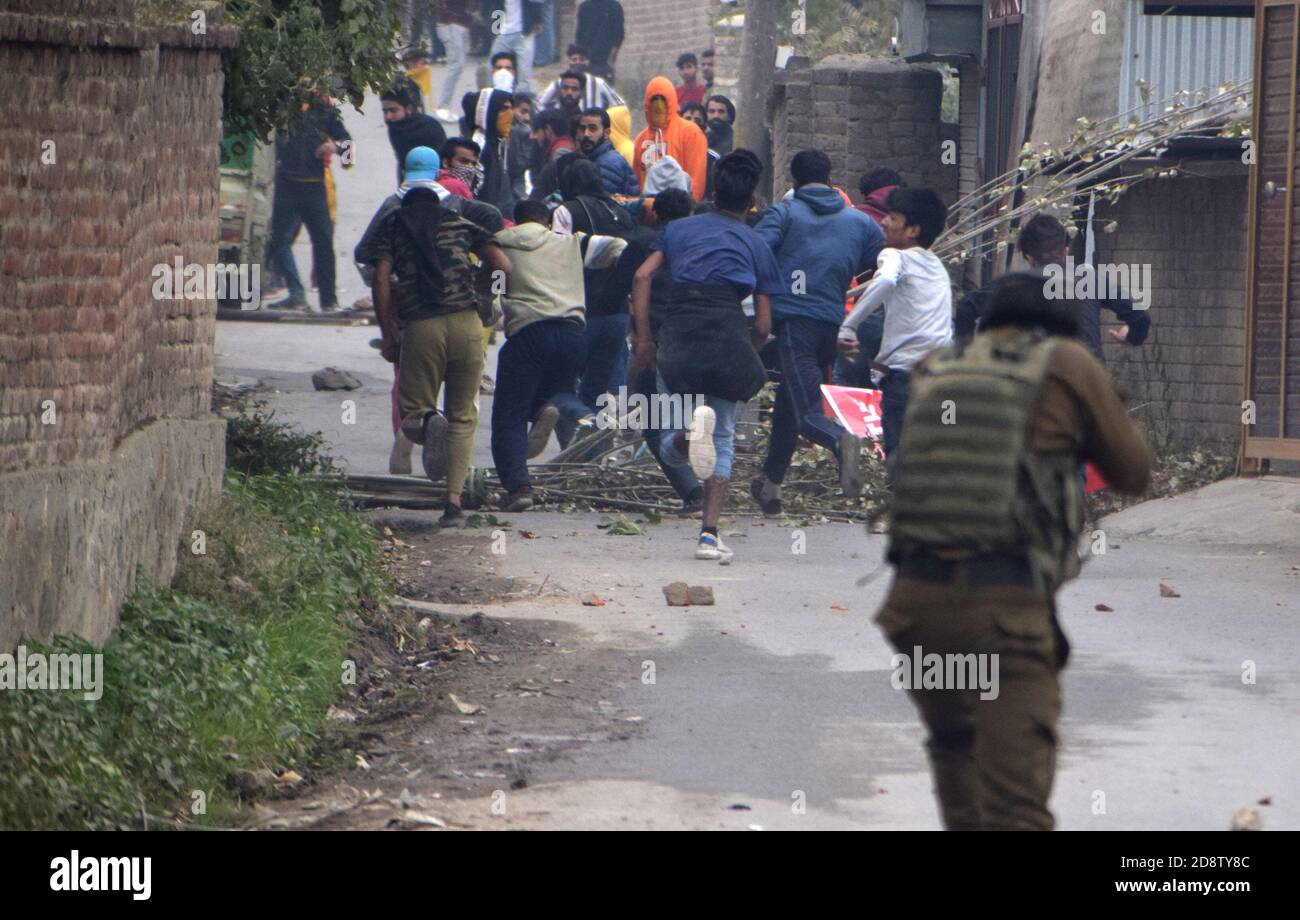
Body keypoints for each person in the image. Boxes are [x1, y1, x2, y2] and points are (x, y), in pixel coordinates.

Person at [876, 271, 1152, 830]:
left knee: (957, 755)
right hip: (1002, 609)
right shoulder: (1068, 364)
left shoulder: (938, 367)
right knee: (1015, 810)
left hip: (916, 605)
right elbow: (1133, 472)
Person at [630, 150, 781, 561]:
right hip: (728, 332)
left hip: (678, 334)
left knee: (667, 443)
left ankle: (684, 436)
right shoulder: (756, 242)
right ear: (751, 203)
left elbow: (643, 275)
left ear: (711, 193)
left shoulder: (679, 231)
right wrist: (744, 353)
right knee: (724, 438)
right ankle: (709, 536)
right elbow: (765, 326)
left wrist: (644, 339)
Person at [370, 151, 512, 527]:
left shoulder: (393, 226)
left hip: (423, 327)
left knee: (414, 413)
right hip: (467, 326)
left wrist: (388, 331)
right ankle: (453, 504)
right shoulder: (459, 221)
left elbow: (381, 279)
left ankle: (429, 420)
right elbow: (503, 266)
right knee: (464, 416)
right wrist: (482, 292)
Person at [750, 149, 885, 514]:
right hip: (833, 325)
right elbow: (882, 264)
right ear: (830, 179)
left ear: (793, 182)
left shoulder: (785, 213)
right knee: (788, 406)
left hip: (796, 325)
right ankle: (771, 488)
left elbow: (755, 251)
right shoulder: (860, 223)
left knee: (807, 410)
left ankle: (841, 440)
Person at [491, 199, 629, 510]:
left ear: (516, 220)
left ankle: (518, 488)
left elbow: (492, 287)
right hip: (571, 336)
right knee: (552, 392)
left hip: (528, 334)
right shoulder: (572, 243)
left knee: (509, 414)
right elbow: (619, 247)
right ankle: (543, 411)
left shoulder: (500, 244)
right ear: (547, 220)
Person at [602, 188, 703, 509]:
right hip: (695, 336)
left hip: (653, 340)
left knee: (652, 419)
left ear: (655, 215)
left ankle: (692, 490)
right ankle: (704, 477)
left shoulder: (643, 245)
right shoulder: (699, 243)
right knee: (684, 408)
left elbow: (615, 291)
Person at [839, 187, 952, 463]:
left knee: (898, 457)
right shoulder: (937, 267)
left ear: (912, 230)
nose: (883, 222)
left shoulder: (893, 256)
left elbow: (886, 280)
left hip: (905, 377)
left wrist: (848, 326)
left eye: (892, 218)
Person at [954, 213, 1152, 363]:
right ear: (1066, 250)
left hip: (1036, 388)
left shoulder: (1013, 285)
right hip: (1089, 386)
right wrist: (1132, 336)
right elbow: (1140, 317)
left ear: (1028, 257)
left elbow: (966, 308)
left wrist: (967, 359)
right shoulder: (1090, 280)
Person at [549, 160, 638, 445]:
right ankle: (594, 457)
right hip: (618, 316)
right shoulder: (622, 213)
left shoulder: (567, 211)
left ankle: (570, 456)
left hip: (579, 313)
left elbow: (559, 259)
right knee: (598, 391)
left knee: (559, 386)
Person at [264, 87, 353, 311]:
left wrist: (335, 146)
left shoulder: (326, 111)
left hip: (315, 186)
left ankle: (329, 301)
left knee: (323, 244)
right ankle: (296, 294)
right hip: (286, 183)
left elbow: (349, 148)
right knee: (278, 240)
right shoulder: (280, 106)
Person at [633, 76, 709, 202]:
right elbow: (637, 181)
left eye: (662, 99)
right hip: (648, 213)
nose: (658, 105)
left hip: (680, 211)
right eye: (654, 99)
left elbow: (696, 179)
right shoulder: (641, 139)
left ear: (671, 101)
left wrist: (689, 207)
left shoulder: (691, 132)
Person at [461, 88, 526, 214]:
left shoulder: (505, 141)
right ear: (489, 112)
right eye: (503, 109)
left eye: (511, 108)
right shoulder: (478, 149)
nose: (510, 114)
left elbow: (517, 176)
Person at [382, 77, 448, 181]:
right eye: (385, 112)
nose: (388, 117)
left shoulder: (429, 128)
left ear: (408, 109)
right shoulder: (395, 127)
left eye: (393, 111)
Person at [573, 107, 638, 197]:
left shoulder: (607, 163)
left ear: (606, 133)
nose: (586, 134)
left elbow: (601, 206)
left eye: (592, 129)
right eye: (582, 128)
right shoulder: (594, 158)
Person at [434, 0, 475, 122]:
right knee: (456, 65)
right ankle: (442, 106)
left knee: (458, 65)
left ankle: (444, 105)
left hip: (461, 23)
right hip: (450, 23)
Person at [489, 0, 544, 94]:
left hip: (524, 34)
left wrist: (537, 22)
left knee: (524, 75)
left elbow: (536, 3)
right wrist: (495, 30)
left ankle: (522, 102)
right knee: (491, 68)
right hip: (504, 33)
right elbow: (496, 7)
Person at [527, 107, 577, 201]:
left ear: (548, 130)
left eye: (537, 131)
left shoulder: (561, 153)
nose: (533, 136)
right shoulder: (563, 148)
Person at [575, 0, 624, 82]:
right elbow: (579, 37)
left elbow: (618, 36)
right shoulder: (584, 7)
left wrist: (611, 59)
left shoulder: (614, 7)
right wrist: (581, 59)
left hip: (605, 62)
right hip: (587, 61)